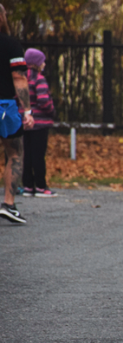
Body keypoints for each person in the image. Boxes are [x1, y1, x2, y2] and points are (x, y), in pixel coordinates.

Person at [0, 3, 33, 224]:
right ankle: (9, 204)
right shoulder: (11, 44)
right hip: (4, 106)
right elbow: (19, 78)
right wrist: (28, 109)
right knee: (14, 153)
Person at [22, 48, 56, 197]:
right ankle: (41, 186)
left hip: (25, 122)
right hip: (40, 123)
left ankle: (28, 185)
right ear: (37, 64)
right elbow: (43, 100)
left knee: (27, 155)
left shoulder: (21, 79)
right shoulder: (39, 79)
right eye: (42, 61)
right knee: (38, 155)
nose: (44, 64)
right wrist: (51, 111)